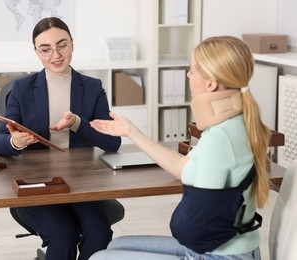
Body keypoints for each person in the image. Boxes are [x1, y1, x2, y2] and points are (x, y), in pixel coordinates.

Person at [89, 36, 271, 259]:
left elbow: (201, 222)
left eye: (192, 70)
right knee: (116, 245)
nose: (187, 75)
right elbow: (181, 166)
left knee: (100, 258)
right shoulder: (233, 123)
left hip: (218, 254)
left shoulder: (220, 138)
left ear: (211, 84)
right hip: (227, 246)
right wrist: (131, 131)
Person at [0, 17, 121, 260]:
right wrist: (15, 142)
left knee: (99, 231)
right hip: (36, 184)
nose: (56, 55)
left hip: (82, 182)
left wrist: (77, 123)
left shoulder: (93, 88)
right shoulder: (21, 88)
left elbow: (112, 143)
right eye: (45, 49)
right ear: (36, 52)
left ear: (72, 44)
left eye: (62, 45)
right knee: (63, 235)